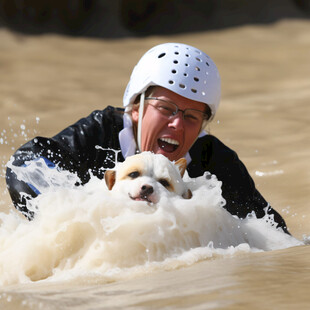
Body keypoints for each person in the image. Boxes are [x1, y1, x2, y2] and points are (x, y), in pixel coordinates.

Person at [5, 42, 290, 233]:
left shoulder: (214, 162)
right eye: (165, 109)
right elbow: (26, 163)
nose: (177, 123)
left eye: (192, 117)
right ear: (136, 108)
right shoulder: (100, 133)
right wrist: (66, 222)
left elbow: (273, 235)